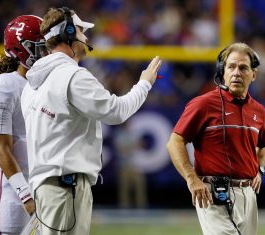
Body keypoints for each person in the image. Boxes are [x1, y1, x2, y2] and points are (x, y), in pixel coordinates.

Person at [20, 7, 161, 235]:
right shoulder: (72, 75)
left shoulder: (32, 83)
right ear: (67, 33)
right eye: (80, 30)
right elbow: (116, 112)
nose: (85, 37)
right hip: (64, 187)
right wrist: (145, 83)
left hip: (43, 186)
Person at [166, 42, 265, 235]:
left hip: (248, 195)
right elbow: (175, 141)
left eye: (243, 67)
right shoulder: (203, 104)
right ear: (223, 71)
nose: (236, 72)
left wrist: (260, 170)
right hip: (213, 193)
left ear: (253, 74)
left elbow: (263, 146)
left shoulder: (259, 111)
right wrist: (191, 179)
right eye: (231, 66)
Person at [0, 15, 46, 234]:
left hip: (44, 181)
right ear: (22, 50)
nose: (47, 54)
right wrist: (26, 197)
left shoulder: (50, 84)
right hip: (13, 185)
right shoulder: (4, 85)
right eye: (41, 48)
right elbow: (1, 148)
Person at [114, 122, 148, 209]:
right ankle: (124, 208)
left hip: (135, 165)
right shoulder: (120, 135)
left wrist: (133, 146)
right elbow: (122, 150)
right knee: (124, 188)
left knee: (139, 186)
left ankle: (141, 207)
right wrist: (133, 146)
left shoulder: (134, 134)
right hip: (125, 166)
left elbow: (141, 145)